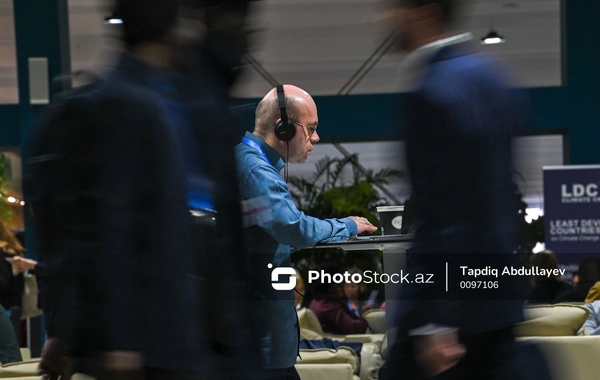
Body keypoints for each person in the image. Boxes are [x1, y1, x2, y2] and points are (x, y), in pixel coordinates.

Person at [24, 1, 260, 379]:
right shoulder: (121, 102)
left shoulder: (183, 97)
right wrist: (107, 335)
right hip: (157, 336)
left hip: (202, 323)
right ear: (176, 26)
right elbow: (104, 226)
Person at [379, 1, 552, 379]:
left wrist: (434, 319)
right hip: (498, 299)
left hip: (450, 309)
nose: (385, 18)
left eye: (393, 8)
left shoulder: (429, 91)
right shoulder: (495, 81)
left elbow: (444, 215)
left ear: (421, 11)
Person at [235, 84, 377, 379]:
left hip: (262, 336)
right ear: (283, 128)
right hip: (260, 338)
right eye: (310, 128)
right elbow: (292, 227)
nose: (316, 138)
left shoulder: (250, 163)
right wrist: (347, 225)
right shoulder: (255, 171)